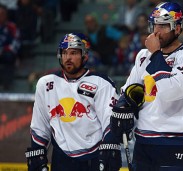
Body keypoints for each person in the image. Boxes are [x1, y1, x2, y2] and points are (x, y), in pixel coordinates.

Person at [110, 2, 183, 170]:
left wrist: (155, 54)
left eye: (163, 26)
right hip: (143, 142)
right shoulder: (143, 55)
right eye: (155, 25)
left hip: (177, 142)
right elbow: (129, 89)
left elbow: (171, 91)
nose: (156, 31)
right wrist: (122, 105)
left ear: (177, 29)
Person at [25, 33, 122, 171]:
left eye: (74, 53)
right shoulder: (46, 83)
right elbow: (40, 126)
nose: (68, 57)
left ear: (84, 56)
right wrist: (37, 154)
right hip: (61, 158)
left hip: (93, 157)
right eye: (64, 53)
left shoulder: (101, 83)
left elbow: (110, 122)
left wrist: (109, 149)